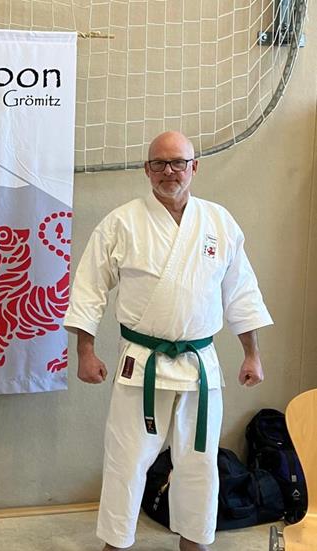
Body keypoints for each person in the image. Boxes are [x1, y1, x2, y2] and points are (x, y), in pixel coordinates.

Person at [63, 131, 273, 551]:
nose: (168, 171)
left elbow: (241, 292)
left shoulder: (219, 222)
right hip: (141, 362)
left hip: (199, 364)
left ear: (194, 167)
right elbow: (89, 288)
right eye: (158, 163)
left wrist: (252, 353)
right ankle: (116, 542)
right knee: (127, 458)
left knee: (200, 459)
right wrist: (85, 351)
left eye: (178, 162)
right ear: (147, 170)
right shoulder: (122, 222)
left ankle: (194, 540)